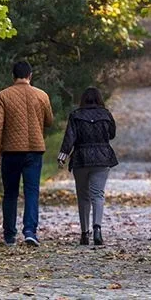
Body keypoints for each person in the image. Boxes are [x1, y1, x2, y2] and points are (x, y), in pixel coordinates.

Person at [0, 61, 54, 247]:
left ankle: (9, 235)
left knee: (10, 193)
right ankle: (30, 231)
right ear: (30, 75)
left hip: (10, 151)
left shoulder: (3, 96)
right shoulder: (41, 95)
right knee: (32, 191)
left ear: (13, 76)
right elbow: (49, 120)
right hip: (34, 149)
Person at [57, 87, 118, 246]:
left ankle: (84, 233)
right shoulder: (106, 114)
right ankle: (97, 228)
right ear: (99, 99)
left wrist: (63, 156)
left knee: (83, 196)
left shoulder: (76, 116)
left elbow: (70, 138)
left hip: (81, 158)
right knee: (98, 194)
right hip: (102, 158)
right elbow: (111, 135)